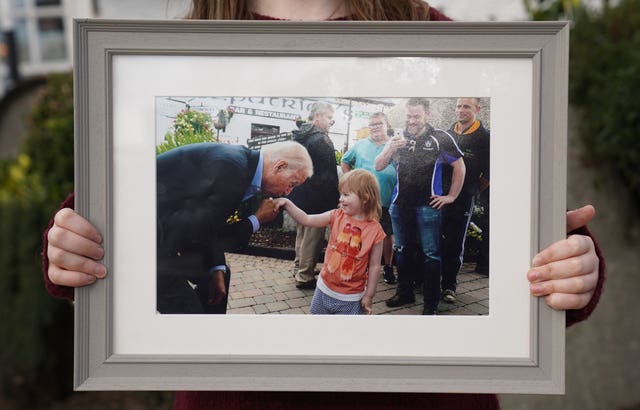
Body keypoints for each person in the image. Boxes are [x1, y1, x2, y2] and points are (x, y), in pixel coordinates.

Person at [43, 1, 604, 409]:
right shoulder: (170, 53)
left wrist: (564, 273)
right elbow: (116, 211)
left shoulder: (438, 40)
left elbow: (536, 242)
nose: (289, 191)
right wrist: (76, 252)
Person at [155, 141, 312, 314]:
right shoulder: (231, 169)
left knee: (220, 275)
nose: (288, 192)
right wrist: (257, 219)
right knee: (188, 308)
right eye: (292, 183)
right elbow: (200, 232)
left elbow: (206, 226)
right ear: (279, 167)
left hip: (169, 230)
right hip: (146, 238)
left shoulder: (242, 166)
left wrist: (217, 268)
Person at [374, 97, 465, 315]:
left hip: (429, 206)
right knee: (402, 250)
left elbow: (459, 166)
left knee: (431, 254)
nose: (412, 121)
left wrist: (451, 196)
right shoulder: (398, 137)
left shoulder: (440, 137)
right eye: (409, 116)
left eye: (416, 116)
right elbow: (378, 166)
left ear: (427, 115)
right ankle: (405, 292)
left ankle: (430, 304)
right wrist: (389, 150)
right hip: (399, 205)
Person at [277, 169, 385, 314]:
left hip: (351, 298)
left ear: (365, 198)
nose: (341, 199)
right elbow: (307, 219)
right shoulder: (336, 215)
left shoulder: (375, 231)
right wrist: (287, 203)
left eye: (346, 194)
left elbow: (374, 266)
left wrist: (369, 296)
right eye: (341, 194)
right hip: (323, 290)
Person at [440, 97, 491, 303]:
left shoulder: (484, 138)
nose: (461, 110)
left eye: (466, 107)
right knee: (435, 239)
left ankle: (449, 286)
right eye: (459, 106)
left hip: (463, 200)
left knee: (455, 242)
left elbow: (488, 175)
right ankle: (430, 280)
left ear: (477, 109)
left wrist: (469, 191)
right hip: (440, 197)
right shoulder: (447, 132)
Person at [287, 101, 340, 289]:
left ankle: (298, 267)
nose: (330, 122)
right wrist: (335, 198)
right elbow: (328, 175)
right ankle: (305, 276)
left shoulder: (300, 135)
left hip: (300, 193)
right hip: (317, 197)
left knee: (302, 233)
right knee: (313, 236)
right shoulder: (321, 139)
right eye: (329, 118)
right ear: (318, 117)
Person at [341, 112, 397, 284]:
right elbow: (345, 161)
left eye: (378, 124)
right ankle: (360, 266)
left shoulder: (394, 145)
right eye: (371, 125)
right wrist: (350, 185)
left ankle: (387, 267)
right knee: (361, 233)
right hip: (363, 202)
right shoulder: (360, 145)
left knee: (387, 235)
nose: (374, 128)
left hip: (387, 200)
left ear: (387, 124)